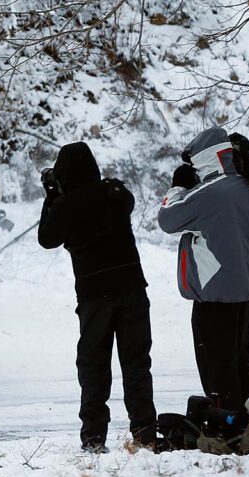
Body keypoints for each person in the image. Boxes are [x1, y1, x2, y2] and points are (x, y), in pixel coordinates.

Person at [37, 141, 157, 453]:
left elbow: (47, 239)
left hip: (94, 297)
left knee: (94, 367)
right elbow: (127, 200)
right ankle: (145, 433)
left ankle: (93, 437)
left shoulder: (65, 205)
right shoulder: (114, 194)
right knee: (136, 364)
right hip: (132, 289)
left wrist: (51, 195)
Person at [157, 126, 249, 413]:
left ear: (205, 160)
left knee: (217, 366)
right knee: (239, 360)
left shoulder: (210, 193)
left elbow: (167, 219)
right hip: (243, 290)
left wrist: (177, 187)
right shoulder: (246, 189)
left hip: (214, 293)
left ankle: (229, 425)